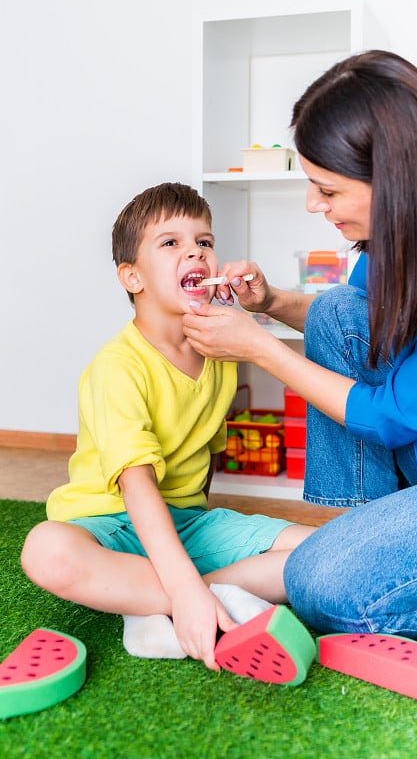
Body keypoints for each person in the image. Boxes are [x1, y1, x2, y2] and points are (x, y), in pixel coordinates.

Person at [182, 50, 417, 661]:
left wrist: (260, 348)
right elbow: (363, 323)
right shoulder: (409, 222)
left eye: (326, 189)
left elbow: (392, 415)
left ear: (392, 178)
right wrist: (269, 303)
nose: (314, 206)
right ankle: (361, 529)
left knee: (323, 587)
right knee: (335, 311)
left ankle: (363, 559)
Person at [21, 182, 315, 671]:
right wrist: (181, 585)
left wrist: (192, 549)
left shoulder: (221, 353)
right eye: (171, 243)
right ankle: (192, 596)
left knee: (313, 552)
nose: (194, 252)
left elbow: (205, 460)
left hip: (188, 521)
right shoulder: (117, 366)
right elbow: (135, 484)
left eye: (203, 241)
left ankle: (157, 599)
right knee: (47, 551)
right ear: (131, 277)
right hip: (107, 524)